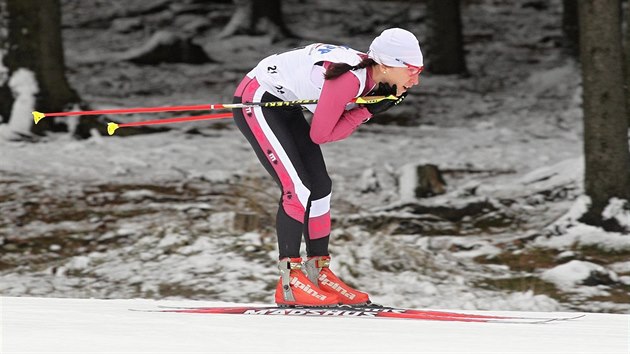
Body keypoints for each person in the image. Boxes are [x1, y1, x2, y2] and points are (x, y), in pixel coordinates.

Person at [232, 28, 424, 307]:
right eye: (411, 70)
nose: (416, 80)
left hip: (285, 105)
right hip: (259, 99)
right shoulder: (349, 79)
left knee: (320, 187)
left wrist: (369, 106)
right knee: (297, 189)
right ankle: (289, 282)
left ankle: (317, 271)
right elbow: (321, 135)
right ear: (385, 65)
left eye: (419, 70)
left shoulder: (373, 77)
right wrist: (367, 111)